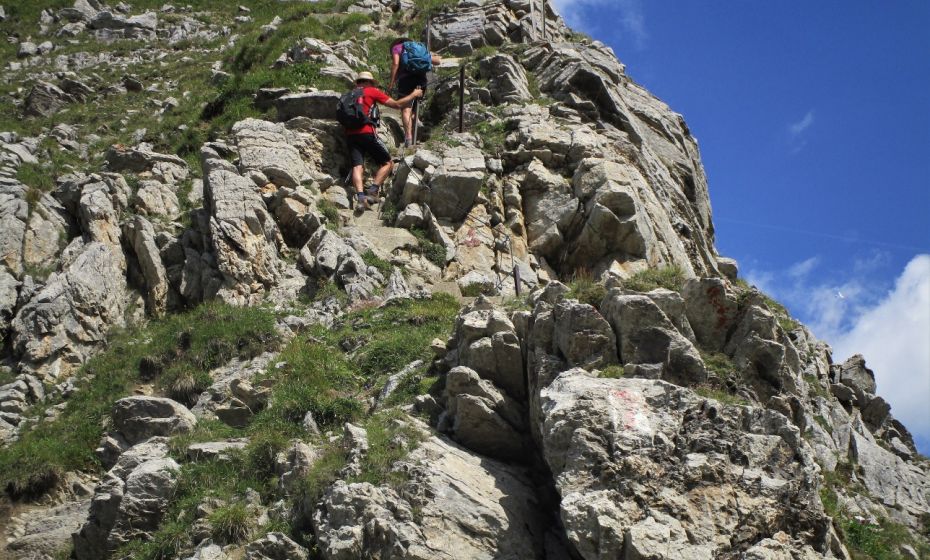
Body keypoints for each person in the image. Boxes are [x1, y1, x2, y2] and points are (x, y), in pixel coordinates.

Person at [344, 71, 422, 210]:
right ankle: (373, 191)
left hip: (350, 134)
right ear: (369, 82)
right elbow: (397, 104)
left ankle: (361, 198)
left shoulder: (349, 94)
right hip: (367, 132)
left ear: (358, 82)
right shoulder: (372, 91)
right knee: (387, 163)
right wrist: (414, 95)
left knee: (357, 166)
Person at [388, 38, 441, 147]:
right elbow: (437, 61)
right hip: (421, 80)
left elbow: (395, 64)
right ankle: (417, 123)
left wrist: (391, 82)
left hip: (406, 80)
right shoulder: (419, 48)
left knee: (406, 109)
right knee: (415, 107)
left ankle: (408, 138)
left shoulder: (397, 48)